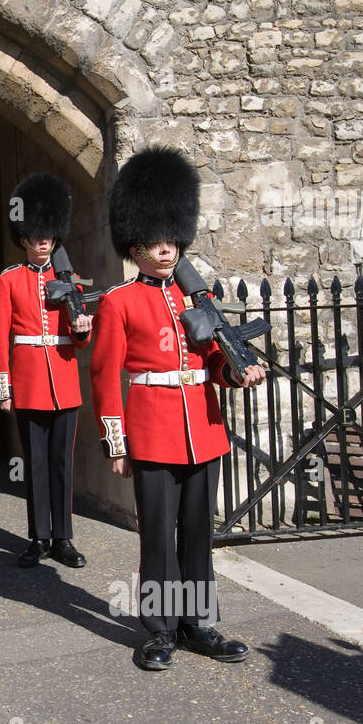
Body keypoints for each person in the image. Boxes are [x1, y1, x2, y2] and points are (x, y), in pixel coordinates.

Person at [89, 146, 266, 671]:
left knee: (196, 533)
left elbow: (214, 361)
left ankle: (198, 624)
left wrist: (237, 371)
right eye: (153, 242)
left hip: (203, 428)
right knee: (157, 537)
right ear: (135, 246)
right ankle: (159, 629)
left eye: (170, 241)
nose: (165, 251)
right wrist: (116, 441)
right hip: (152, 430)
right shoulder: (119, 302)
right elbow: (105, 375)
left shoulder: (198, 301)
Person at [0, 172, 92, 570]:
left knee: (62, 464)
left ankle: (63, 537)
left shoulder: (70, 280)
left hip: (64, 381)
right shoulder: (8, 280)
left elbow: (79, 336)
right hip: (30, 384)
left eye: (47, 233)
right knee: (34, 466)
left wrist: (84, 331)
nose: (41, 240)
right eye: (34, 234)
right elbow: (0, 337)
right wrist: (4, 387)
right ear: (24, 238)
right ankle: (38, 537)